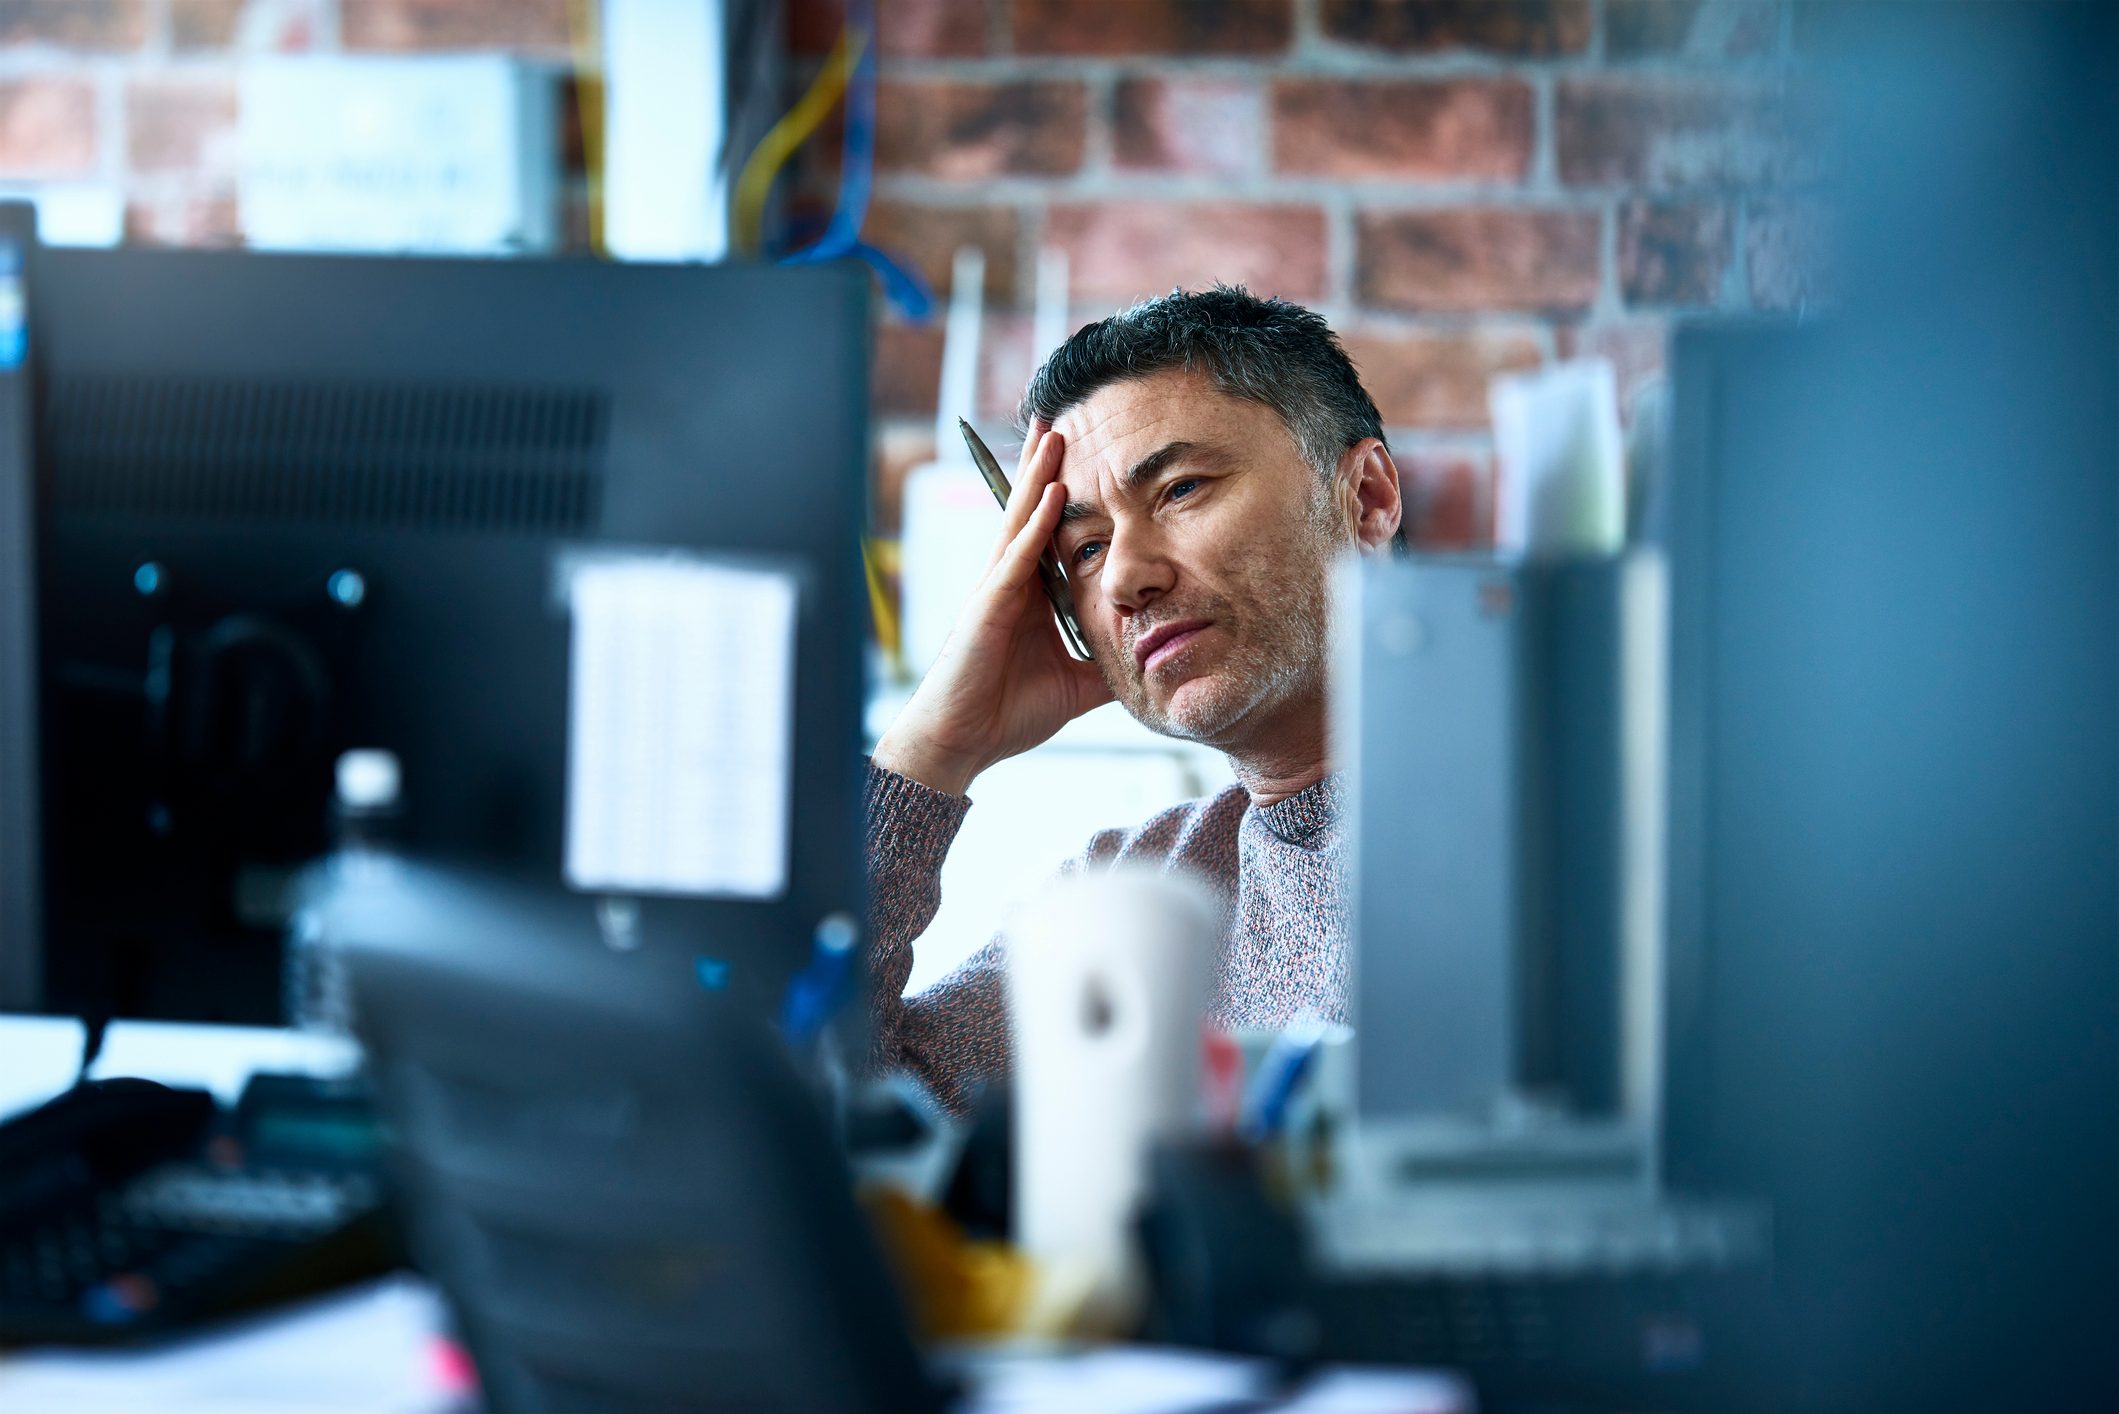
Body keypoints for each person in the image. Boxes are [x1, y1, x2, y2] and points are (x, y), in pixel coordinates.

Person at [867, 286, 1404, 1113]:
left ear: (1364, 498)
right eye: (1083, 549)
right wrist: (928, 755)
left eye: (1180, 490)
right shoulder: (1130, 896)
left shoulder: (1585, 824)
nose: (1122, 578)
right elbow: (828, 1119)